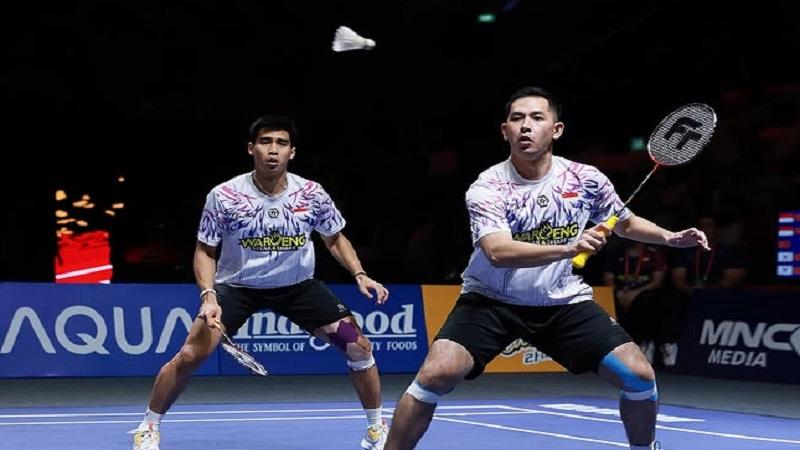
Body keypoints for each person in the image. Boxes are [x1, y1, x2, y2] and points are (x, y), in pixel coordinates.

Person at [384, 87, 709, 450]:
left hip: (561, 302)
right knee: (436, 373)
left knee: (639, 375)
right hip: (491, 301)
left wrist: (669, 237)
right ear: (505, 130)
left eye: (537, 118)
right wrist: (570, 248)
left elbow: (624, 222)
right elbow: (497, 251)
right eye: (517, 118)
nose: (526, 126)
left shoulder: (586, 179)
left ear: (556, 130)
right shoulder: (489, 186)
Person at [130, 115, 390, 450]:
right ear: (251, 148)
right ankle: (149, 425)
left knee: (358, 347)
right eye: (265, 142)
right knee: (192, 353)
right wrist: (209, 296)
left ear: (292, 152)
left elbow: (335, 238)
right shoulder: (224, 196)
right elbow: (205, 250)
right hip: (238, 287)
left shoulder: (311, 194)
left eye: (281, 143)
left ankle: (376, 428)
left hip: (298, 286)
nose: (273, 150)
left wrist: (359, 274)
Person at [602, 241, 668, 363]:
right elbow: (608, 280)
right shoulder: (614, 255)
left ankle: (645, 344)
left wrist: (634, 294)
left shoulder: (655, 255)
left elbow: (657, 282)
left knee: (650, 301)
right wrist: (617, 293)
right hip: (620, 294)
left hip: (643, 295)